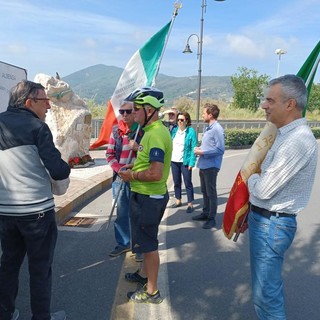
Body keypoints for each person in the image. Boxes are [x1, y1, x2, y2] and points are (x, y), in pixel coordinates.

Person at [247, 74, 317, 319]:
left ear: (290, 104)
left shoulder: (297, 140)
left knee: (266, 297)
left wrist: (250, 176)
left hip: (271, 223)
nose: (264, 105)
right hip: (266, 219)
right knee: (263, 291)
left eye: (269, 100)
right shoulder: (284, 134)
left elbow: (264, 189)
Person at [0, 80, 71, 320]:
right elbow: (58, 171)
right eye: (44, 101)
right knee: (40, 269)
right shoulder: (37, 127)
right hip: (37, 213)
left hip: (5, 212)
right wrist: (65, 164)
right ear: (29, 102)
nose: (49, 106)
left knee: (9, 264)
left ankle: (6, 312)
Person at [119, 87, 172, 304]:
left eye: (136, 109)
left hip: (149, 198)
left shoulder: (156, 134)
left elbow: (155, 173)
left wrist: (131, 175)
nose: (132, 114)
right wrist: (134, 164)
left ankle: (152, 292)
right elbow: (148, 160)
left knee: (148, 246)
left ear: (149, 110)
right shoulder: (150, 132)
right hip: (145, 196)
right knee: (143, 241)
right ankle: (143, 274)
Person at [106, 100, 143, 262]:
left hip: (137, 178)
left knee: (138, 213)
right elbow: (109, 154)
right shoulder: (116, 131)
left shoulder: (142, 131)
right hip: (120, 178)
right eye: (122, 111)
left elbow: (148, 155)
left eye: (129, 111)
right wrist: (120, 170)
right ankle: (123, 242)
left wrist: (137, 149)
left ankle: (140, 245)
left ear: (135, 112)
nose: (125, 115)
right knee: (121, 213)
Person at [193, 103, 225, 229]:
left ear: (210, 115)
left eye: (204, 113)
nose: (202, 115)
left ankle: (212, 218)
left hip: (211, 166)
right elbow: (210, 146)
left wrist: (202, 152)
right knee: (205, 191)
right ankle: (206, 213)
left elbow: (220, 149)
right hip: (204, 164)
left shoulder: (217, 129)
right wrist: (200, 148)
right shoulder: (209, 128)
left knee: (211, 192)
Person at [170, 111, 198, 213]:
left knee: (188, 183)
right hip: (174, 161)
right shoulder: (174, 131)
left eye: (182, 120)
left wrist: (191, 163)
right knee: (176, 182)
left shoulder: (191, 132)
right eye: (178, 120)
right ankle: (178, 200)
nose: (180, 122)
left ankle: (190, 203)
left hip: (185, 161)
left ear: (187, 121)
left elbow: (193, 148)